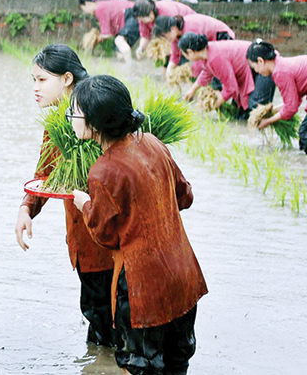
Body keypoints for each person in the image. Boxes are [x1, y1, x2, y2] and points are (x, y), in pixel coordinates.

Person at [70, 75, 207, 375]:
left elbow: (106, 237)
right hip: (183, 275)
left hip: (143, 287)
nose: (71, 117)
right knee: (176, 361)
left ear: (95, 123)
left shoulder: (103, 170)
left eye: (75, 111)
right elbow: (185, 197)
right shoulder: (154, 143)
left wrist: (85, 205)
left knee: (139, 364)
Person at [14, 45, 116, 348]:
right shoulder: (59, 122)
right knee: (99, 324)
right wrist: (26, 209)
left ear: (67, 78)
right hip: (84, 240)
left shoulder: (95, 116)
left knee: (107, 327)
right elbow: (46, 172)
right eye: (33, 79)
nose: (35, 88)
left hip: (106, 243)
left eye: (42, 80)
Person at [178, 34, 276, 118]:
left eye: (184, 54)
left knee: (255, 110)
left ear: (190, 52)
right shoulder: (207, 52)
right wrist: (193, 90)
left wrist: (213, 106)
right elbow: (207, 72)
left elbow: (231, 88)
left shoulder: (215, 57)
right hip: (252, 67)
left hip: (265, 64)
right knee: (239, 113)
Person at [153, 14, 235, 79]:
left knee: (217, 71)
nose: (167, 40)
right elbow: (176, 55)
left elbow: (198, 55)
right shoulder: (174, 35)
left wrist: (192, 75)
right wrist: (169, 70)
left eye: (166, 36)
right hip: (209, 44)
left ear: (173, 29)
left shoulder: (191, 29)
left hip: (222, 37)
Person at [118, 0, 194, 59]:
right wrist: (141, 48)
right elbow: (145, 35)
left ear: (151, 13)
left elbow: (172, 36)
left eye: (142, 19)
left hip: (187, 25)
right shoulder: (143, 19)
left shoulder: (166, 14)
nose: (140, 21)